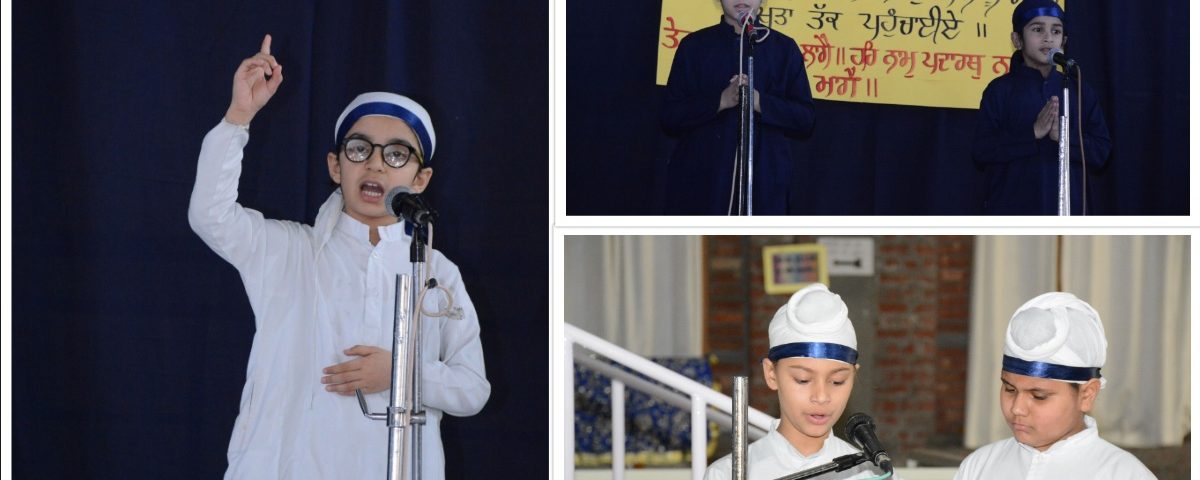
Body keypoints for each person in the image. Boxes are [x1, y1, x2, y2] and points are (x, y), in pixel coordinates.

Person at [189, 34, 490, 479]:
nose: (375, 164)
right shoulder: (289, 251)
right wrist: (239, 117)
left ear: (420, 178)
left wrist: (401, 373)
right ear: (336, 165)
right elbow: (210, 216)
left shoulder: (436, 271)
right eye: (359, 149)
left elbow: (472, 389)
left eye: (396, 154)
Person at [953, 292, 1156, 479]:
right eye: (1010, 389)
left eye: (1038, 396)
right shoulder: (979, 466)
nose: (1017, 408)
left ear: (1087, 395)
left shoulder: (1123, 474)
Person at [705, 284, 897, 479]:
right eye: (803, 380)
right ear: (771, 374)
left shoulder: (873, 474)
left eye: (837, 381)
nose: (821, 397)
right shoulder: (725, 474)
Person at [661, 0, 815, 215]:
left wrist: (759, 102)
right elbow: (670, 116)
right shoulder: (694, 46)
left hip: (764, 180)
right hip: (703, 179)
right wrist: (720, 101)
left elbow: (805, 120)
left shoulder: (784, 49)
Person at [972, 0, 1111, 215]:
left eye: (1056, 31)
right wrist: (1032, 133)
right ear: (1017, 39)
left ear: (1064, 40)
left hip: (1068, 211)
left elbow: (1101, 152)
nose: (1048, 38)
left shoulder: (1079, 90)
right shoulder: (1000, 90)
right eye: (1037, 30)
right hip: (1012, 209)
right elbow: (982, 150)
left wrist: (1064, 136)